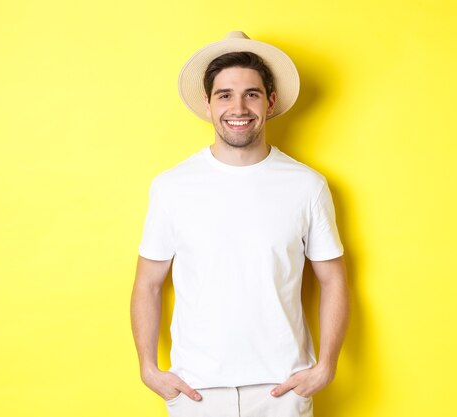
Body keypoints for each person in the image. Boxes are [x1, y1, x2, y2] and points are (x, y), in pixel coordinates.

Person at [131, 31, 349, 417]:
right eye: (225, 95)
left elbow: (333, 279)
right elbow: (148, 282)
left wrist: (325, 367)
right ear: (208, 104)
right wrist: (149, 369)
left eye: (251, 93)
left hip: (282, 388)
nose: (239, 107)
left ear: (270, 101)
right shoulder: (171, 187)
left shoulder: (307, 185)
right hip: (195, 389)